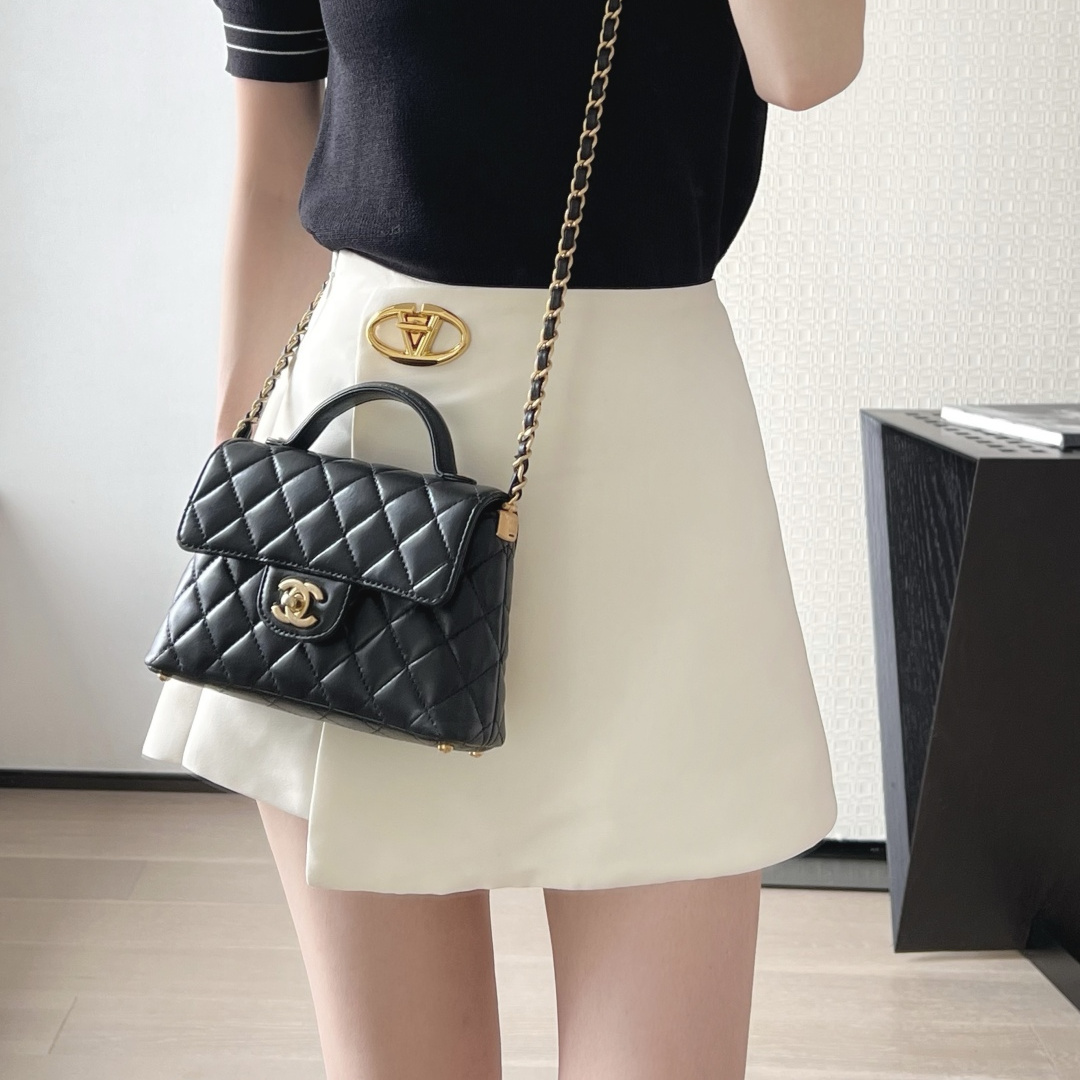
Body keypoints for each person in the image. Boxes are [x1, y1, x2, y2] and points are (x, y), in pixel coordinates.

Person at [142, 2, 865, 1077]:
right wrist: (240, 488)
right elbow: (274, 156)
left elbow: (805, 66)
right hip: (361, 454)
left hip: (649, 461)